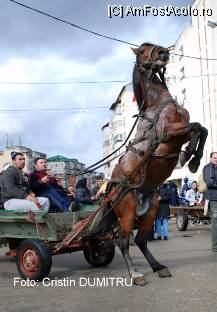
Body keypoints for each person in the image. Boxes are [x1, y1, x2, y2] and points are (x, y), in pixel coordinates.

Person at [203, 152, 217, 252]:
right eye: (215, 158)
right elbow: (209, 183)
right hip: (214, 198)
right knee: (215, 222)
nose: (216, 159)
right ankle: (215, 246)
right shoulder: (208, 168)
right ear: (210, 158)